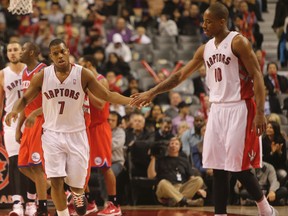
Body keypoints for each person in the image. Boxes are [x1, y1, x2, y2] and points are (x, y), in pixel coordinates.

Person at [130, 3, 277, 216]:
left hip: (240, 107)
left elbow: (257, 75)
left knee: (238, 167)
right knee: (217, 166)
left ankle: (265, 209)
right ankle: (220, 214)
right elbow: (179, 76)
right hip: (216, 109)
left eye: (208, 21)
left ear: (221, 21)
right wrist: (151, 92)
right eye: (203, 20)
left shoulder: (238, 42)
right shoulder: (205, 48)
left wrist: (261, 113)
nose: (204, 25)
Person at [5, 39, 132, 216]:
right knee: (56, 181)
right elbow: (25, 99)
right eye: (55, 53)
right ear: (51, 57)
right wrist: (14, 111)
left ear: (68, 52)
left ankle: (77, 193)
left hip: (77, 134)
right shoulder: (42, 75)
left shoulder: (83, 74)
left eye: (62, 51)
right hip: (52, 134)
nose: (60, 55)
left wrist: (132, 100)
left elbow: (107, 95)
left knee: (77, 185)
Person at [78, 55, 122, 216]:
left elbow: (100, 103)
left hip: (99, 128)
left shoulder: (100, 80)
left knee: (104, 166)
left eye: (81, 65)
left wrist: (86, 90)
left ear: (89, 64)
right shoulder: (84, 81)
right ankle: (89, 202)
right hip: (86, 127)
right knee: (82, 166)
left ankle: (114, 203)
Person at [16, 42, 49, 216]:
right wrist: (18, 127)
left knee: (37, 167)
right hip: (28, 123)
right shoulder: (24, 73)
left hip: (41, 121)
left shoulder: (44, 71)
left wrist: (35, 114)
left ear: (32, 52)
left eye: (22, 49)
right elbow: (25, 101)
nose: (20, 52)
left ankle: (42, 208)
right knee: (22, 165)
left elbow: (52, 101)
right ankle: (54, 188)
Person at [0, 41, 26, 216]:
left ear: (21, 52)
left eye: (15, 50)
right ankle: (18, 203)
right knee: (15, 162)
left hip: (30, 120)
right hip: (10, 121)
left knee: (31, 162)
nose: (12, 53)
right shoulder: (2, 74)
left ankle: (32, 202)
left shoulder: (30, 71)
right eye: (10, 50)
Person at [147, 137, 204, 207]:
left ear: (180, 147)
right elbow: (151, 176)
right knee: (163, 182)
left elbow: (191, 178)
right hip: (165, 188)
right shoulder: (160, 159)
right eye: (172, 143)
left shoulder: (184, 161)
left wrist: (198, 189)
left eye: (176, 144)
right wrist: (153, 158)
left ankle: (175, 200)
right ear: (168, 146)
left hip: (181, 187)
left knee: (199, 180)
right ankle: (186, 201)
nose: (174, 145)